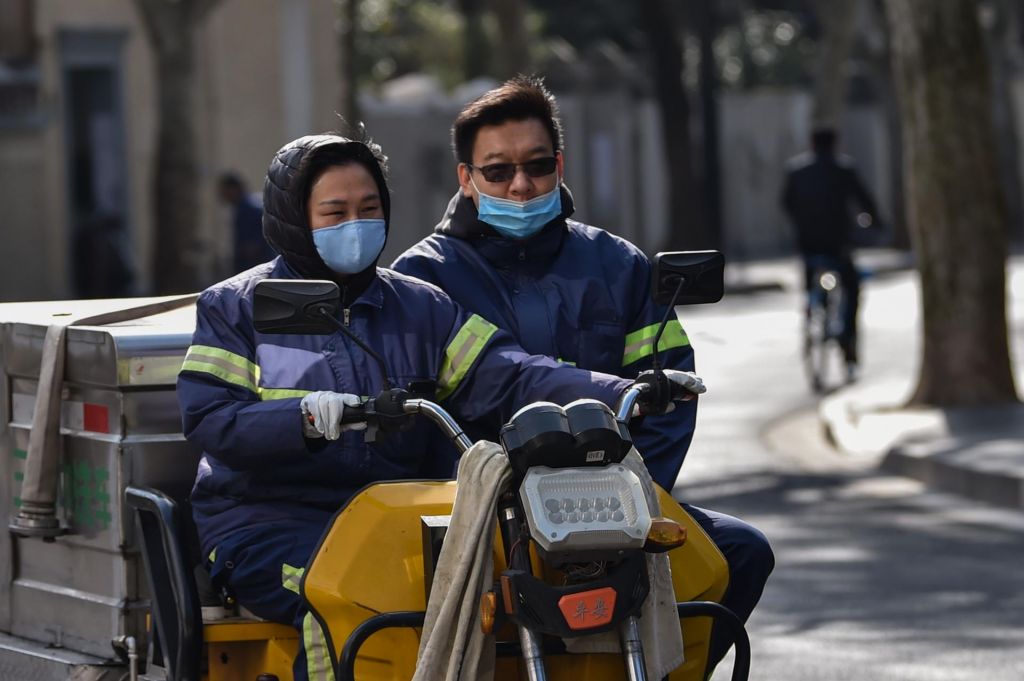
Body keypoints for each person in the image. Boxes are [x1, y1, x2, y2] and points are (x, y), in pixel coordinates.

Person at [178, 133, 700, 681]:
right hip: (263, 522)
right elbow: (211, 419)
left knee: (513, 582)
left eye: (369, 208)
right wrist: (302, 419)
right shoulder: (236, 307)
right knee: (344, 592)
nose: (355, 224)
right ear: (292, 219)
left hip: (396, 520)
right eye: (334, 212)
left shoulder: (419, 307)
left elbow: (511, 374)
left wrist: (616, 391)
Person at [391, 75, 773, 674]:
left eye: (538, 166)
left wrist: (633, 499)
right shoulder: (420, 279)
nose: (521, 184)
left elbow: (670, 390)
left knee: (743, 552)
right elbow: (413, 419)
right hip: (478, 515)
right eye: (498, 171)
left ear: (560, 165)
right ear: (465, 178)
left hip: (614, 507)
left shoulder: (619, 264)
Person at [782, 127, 880, 377]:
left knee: (810, 283)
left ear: (811, 144)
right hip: (838, 245)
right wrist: (876, 222)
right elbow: (864, 199)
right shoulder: (843, 169)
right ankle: (845, 336)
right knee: (852, 288)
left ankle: (812, 308)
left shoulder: (797, 171)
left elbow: (786, 203)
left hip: (808, 245)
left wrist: (801, 224)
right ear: (835, 144)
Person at [217, 171, 274, 273]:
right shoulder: (240, 207)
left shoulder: (250, 207)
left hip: (255, 265)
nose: (222, 194)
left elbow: (263, 233)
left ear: (233, 188)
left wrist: (253, 246)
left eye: (224, 190)